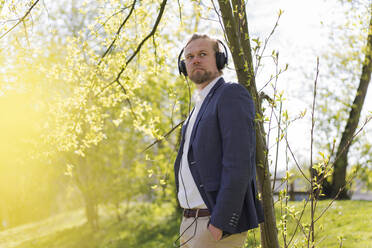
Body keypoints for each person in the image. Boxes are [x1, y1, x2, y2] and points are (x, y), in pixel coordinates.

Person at [174, 33, 264, 248]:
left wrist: (221, 221)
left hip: (212, 224)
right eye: (190, 56)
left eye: (203, 54)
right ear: (183, 66)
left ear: (220, 60)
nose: (195, 59)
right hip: (189, 222)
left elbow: (239, 163)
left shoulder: (230, 94)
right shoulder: (197, 108)